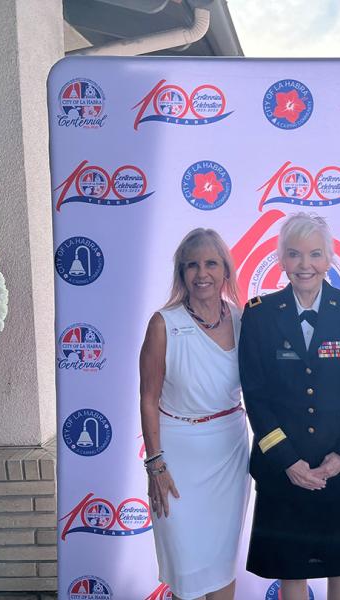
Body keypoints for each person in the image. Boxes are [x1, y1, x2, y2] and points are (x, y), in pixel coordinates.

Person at [239, 213, 340, 600]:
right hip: (284, 468)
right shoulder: (259, 315)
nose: (305, 265)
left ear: (330, 259)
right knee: (291, 571)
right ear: (281, 260)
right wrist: (288, 461)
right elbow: (256, 396)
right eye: (294, 254)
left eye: (315, 254)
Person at [139, 228, 250, 600]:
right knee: (186, 571)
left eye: (211, 264)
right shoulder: (163, 323)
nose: (202, 273)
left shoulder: (242, 320)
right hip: (176, 459)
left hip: (230, 455)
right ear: (181, 273)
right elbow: (148, 397)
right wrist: (155, 464)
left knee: (221, 562)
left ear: (226, 272)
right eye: (192, 265)